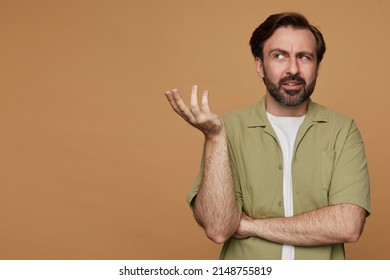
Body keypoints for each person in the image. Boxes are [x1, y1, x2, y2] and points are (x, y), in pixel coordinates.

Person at [164, 12, 371, 260]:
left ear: (317, 66)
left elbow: (348, 225)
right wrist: (215, 137)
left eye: (304, 57)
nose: (292, 69)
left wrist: (250, 225)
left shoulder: (342, 130)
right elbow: (219, 229)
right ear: (260, 65)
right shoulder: (227, 129)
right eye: (279, 56)